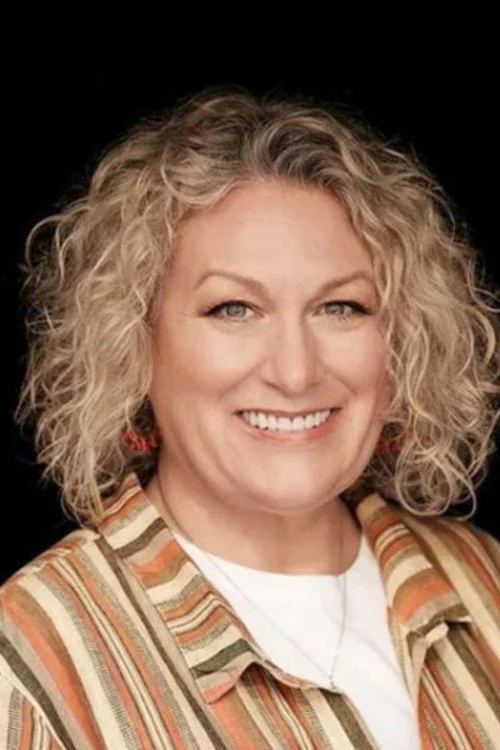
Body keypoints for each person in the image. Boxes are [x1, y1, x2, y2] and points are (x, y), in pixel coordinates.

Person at [1, 87, 499, 749]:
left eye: (341, 308)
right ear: (134, 344)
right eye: (233, 309)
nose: (295, 372)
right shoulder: (30, 663)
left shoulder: (485, 578)